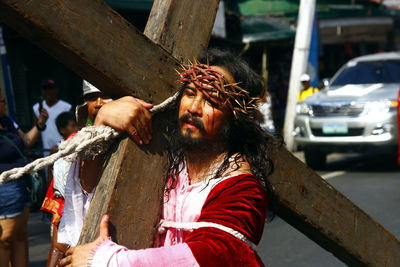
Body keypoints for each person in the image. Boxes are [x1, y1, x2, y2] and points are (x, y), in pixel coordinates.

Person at [60, 49, 280, 267]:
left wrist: (108, 261)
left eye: (211, 100)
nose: (194, 108)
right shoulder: (166, 160)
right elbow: (89, 194)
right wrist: (103, 120)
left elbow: (215, 253)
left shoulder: (242, 187)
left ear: (235, 117)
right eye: (191, 93)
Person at [42, 81, 112, 267]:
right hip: (82, 246)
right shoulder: (72, 151)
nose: (98, 102)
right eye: (91, 97)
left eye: (105, 95)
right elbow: (60, 242)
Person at [0, 90, 48, 267]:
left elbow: (26, 141)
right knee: (5, 239)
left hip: (22, 185)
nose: (5, 103)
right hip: (4, 187)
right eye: (2, 101)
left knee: (20, 235)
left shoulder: (7, 121)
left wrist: (40, 125)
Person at [32, 78, 72, 156]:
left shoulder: (66, 107)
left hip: (64, 150)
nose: (48, 92)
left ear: (57, 90)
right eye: (45, 89)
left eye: (50, 89)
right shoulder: (37, 108)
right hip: (46, 153)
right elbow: (35, 130)